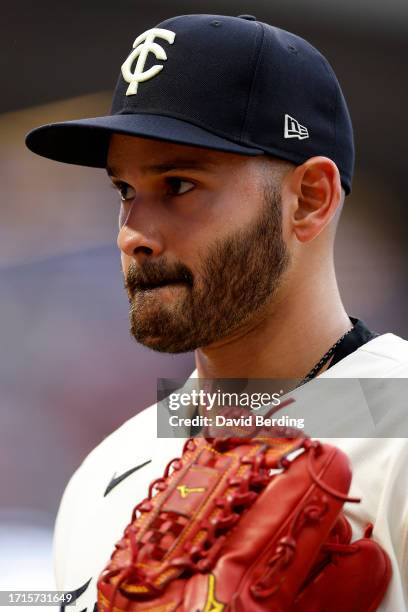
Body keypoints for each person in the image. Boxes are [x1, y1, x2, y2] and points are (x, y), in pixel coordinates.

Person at [25, 13, 408, 611]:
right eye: (124, 190)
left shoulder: (399, 421)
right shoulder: (110, 471)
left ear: (310, 199)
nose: (134, 235)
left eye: (177, 184)